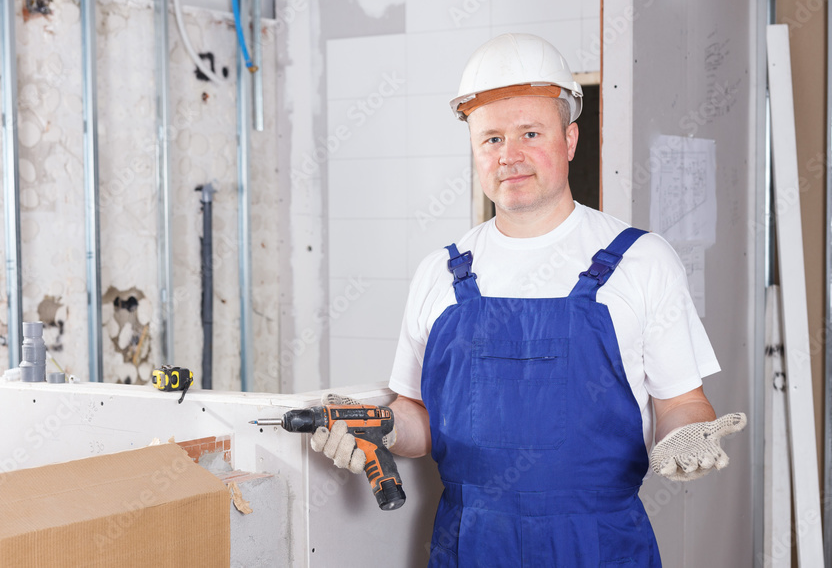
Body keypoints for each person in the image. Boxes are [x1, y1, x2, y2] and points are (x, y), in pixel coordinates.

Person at [311, 33, 745, 567]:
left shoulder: (641, 261)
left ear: (570, 138)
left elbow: (681, 401)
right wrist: (375, 430)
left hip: (599, 546)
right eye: (490, 139)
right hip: (470, 544)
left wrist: (689, 434)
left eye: (530, 133)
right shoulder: (439, 274)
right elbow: (418, 420)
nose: (509, 156)